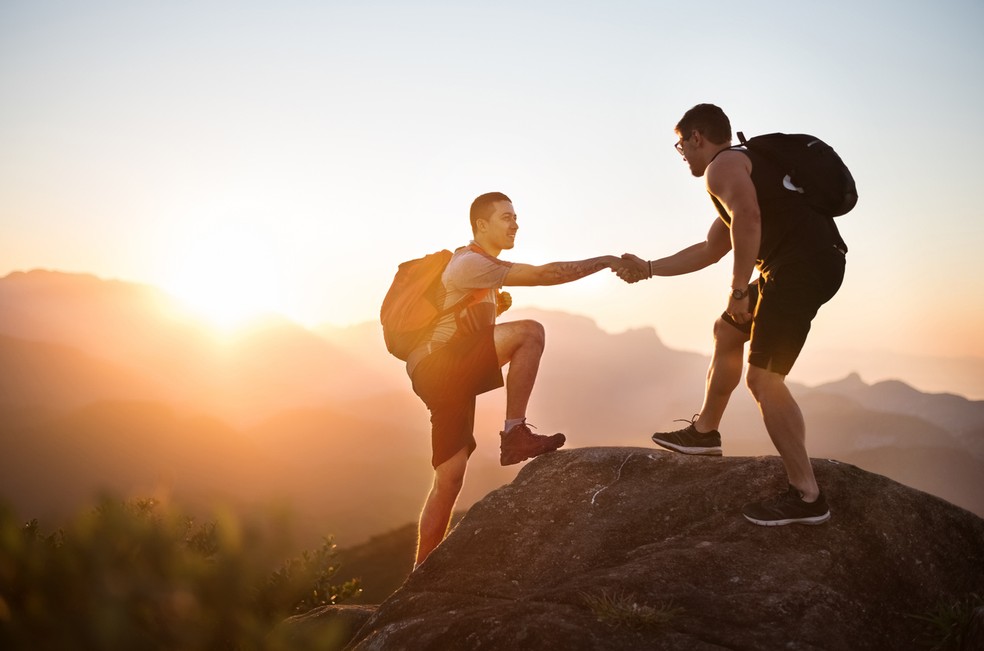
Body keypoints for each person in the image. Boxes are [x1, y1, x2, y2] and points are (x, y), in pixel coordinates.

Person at [618, 104, 847, 526]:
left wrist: (739, 291)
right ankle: (705, 433)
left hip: (799, 267)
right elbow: (710, 249)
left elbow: (748, 218)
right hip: (809, 263)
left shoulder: (721, 168)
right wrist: (648, 268)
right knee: (726, 331)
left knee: (763, 378)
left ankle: (808, 495)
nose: (682, 153)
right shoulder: (746, 169)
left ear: (697, 137)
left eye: (681, 144)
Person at [409, 191, 626, 567]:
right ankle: (514, 433)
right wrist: (605, 260)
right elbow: (545, 275)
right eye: (506, 217)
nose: (515, 224)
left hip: (440, 374)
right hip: (441, 365)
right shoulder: (468, 263)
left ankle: (418, 573)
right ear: (481, 225)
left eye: (516, 216)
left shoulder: (482, 271)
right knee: (530, 332)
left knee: (449, 478)